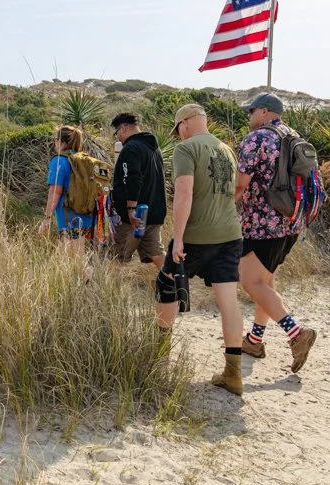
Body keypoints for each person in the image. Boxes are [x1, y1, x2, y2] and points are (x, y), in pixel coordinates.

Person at [156, 104, 247, 396]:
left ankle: (157, 360)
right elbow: (234, 191)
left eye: (178, 128)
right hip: (230, 234)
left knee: (166, 284)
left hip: (196, 236)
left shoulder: (186, 150)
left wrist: (178, 238)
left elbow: (184, 194)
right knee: (228, 301)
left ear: (185, 124)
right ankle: (233, 374)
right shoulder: (227, 150)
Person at [233, 93, 317, 372]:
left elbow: (240, 184)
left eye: (252, 111)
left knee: (251, 283)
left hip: (261, 225)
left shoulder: (256, 139)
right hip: (290, 223)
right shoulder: (292, 135)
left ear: (266, 111)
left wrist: (224, 207)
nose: (249, 116)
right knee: (265, 283)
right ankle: (254, 340)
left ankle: (296, 334)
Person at [109, 112, 166, 268]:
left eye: (117, 133)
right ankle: (179, 287)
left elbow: (133, 179)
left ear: (124, 128)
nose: (117, 138)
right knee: (156, 253)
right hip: (154, 213)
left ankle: (109, 291)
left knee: (118, 256)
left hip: (134, 218)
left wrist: (131, 209)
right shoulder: (153, 147)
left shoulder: (131, 148)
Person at [39, 125, 95, 246]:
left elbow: (55, 191)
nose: (54, 142)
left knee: (75, 258)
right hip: (88, 216)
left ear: (61, 142)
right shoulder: (84, 160)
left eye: (55, 139)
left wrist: (47, 218)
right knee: (74, 254)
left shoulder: (59, 161)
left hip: (69, 217)